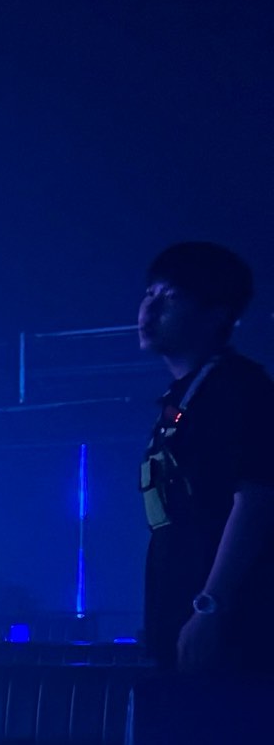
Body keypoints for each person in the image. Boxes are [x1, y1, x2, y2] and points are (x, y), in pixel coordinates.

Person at [138, 241, 274, 672]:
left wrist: (211, 605)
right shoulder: (183, 395)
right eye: (149, 293)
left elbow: (256, 499)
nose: (150, 309)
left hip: (229, 632)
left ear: (217, 314)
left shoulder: (237, 389)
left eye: (171, 297)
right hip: (185, 618)